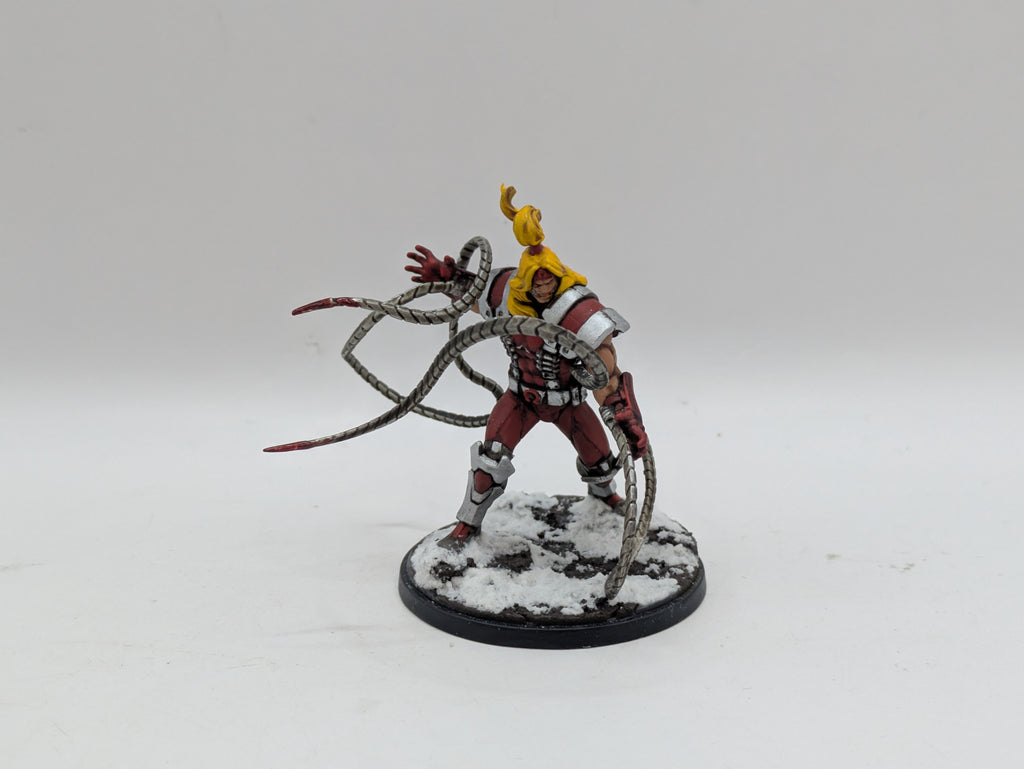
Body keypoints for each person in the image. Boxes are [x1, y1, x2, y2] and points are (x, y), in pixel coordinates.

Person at [404, 186, 648, 544]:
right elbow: (472, 295)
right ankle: (467, 524)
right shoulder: (507, 294)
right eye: (537, 278)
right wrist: (448, 277)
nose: (544, 284)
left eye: (549, 277)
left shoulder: (578, 311)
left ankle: (605, 497)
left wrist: (623, 413)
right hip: (521, 398)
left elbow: (605, 371)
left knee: (599, 457)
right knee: (490, 459)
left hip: (568, 401)